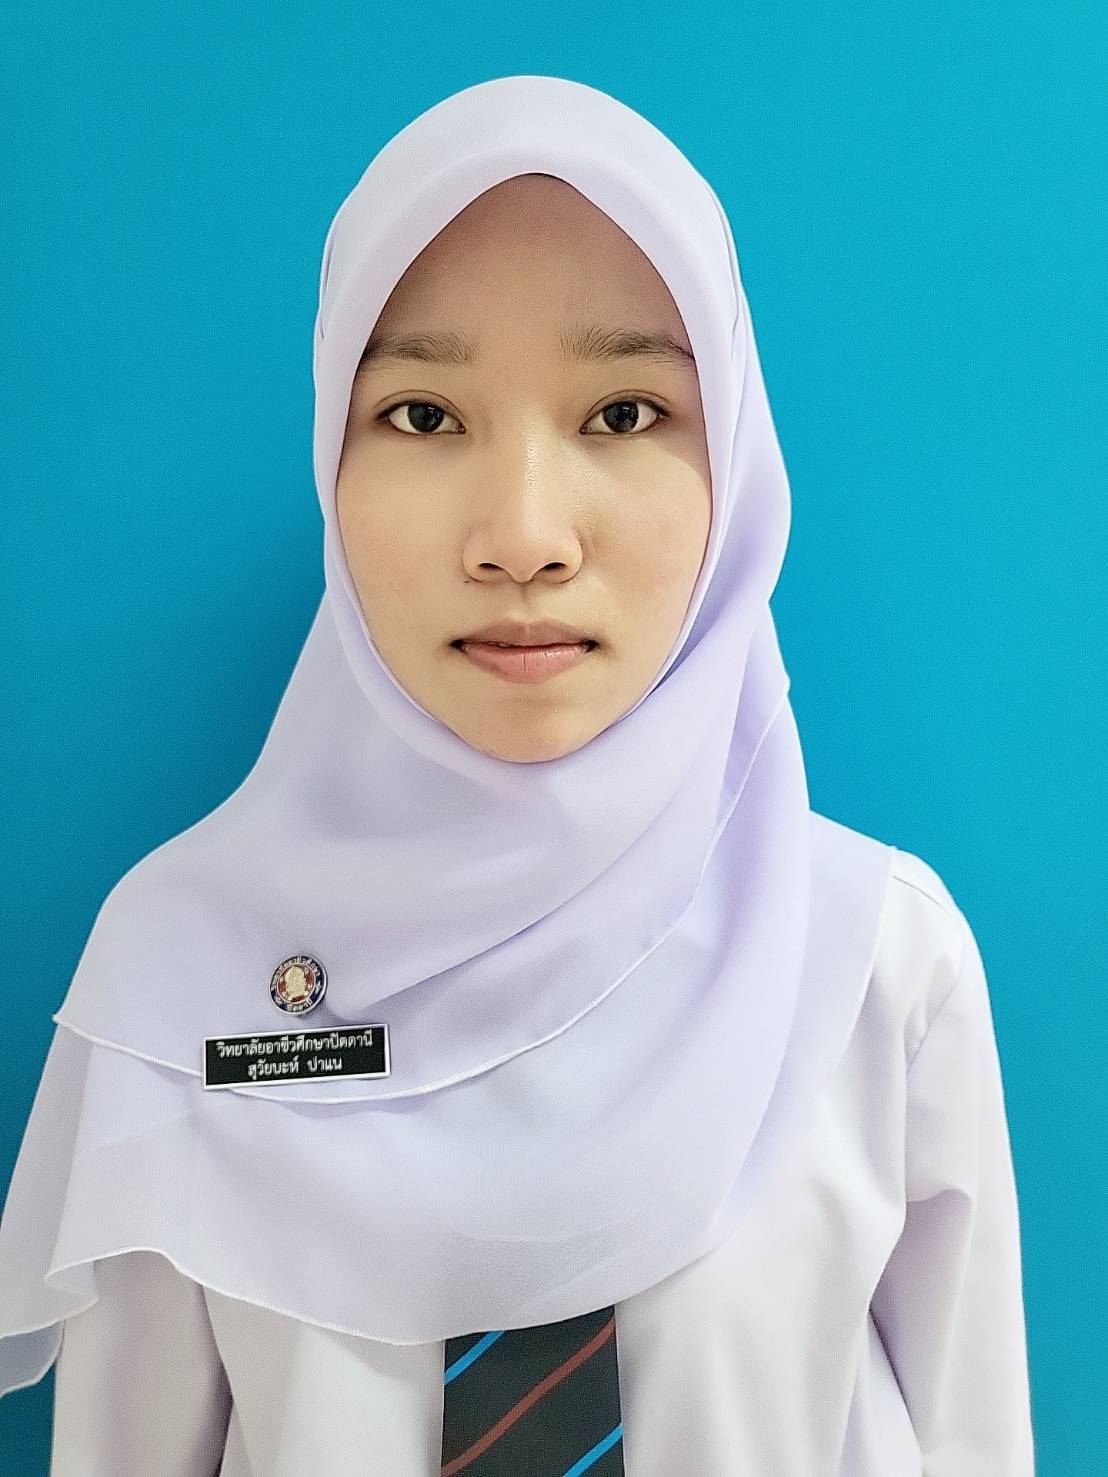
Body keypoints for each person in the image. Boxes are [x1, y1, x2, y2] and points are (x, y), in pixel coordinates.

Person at [0, 74, 1035, 1474]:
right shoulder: (184, 972)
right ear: (332, 457)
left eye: (626, 412)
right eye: (425, 415)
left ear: (736, 463)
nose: (525, 536)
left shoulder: (874, 961)